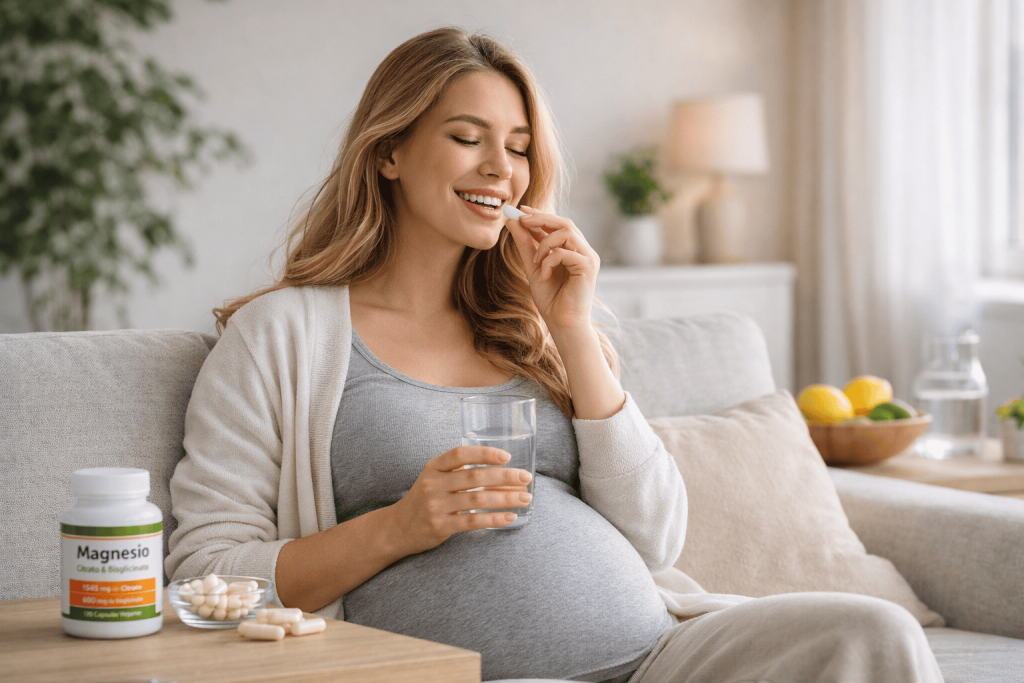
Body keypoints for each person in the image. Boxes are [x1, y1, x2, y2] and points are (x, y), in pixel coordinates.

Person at [166, 26, 944, 683]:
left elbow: (655, 537)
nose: (500, 168)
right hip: (470, 670)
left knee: (877, 635)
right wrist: (399, 526)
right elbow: (203, 577)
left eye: (519, 147)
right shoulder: (280, 337)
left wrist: (571, 328)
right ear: (390, 152)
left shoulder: (536, 329)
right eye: (467, 138)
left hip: (659, 654)